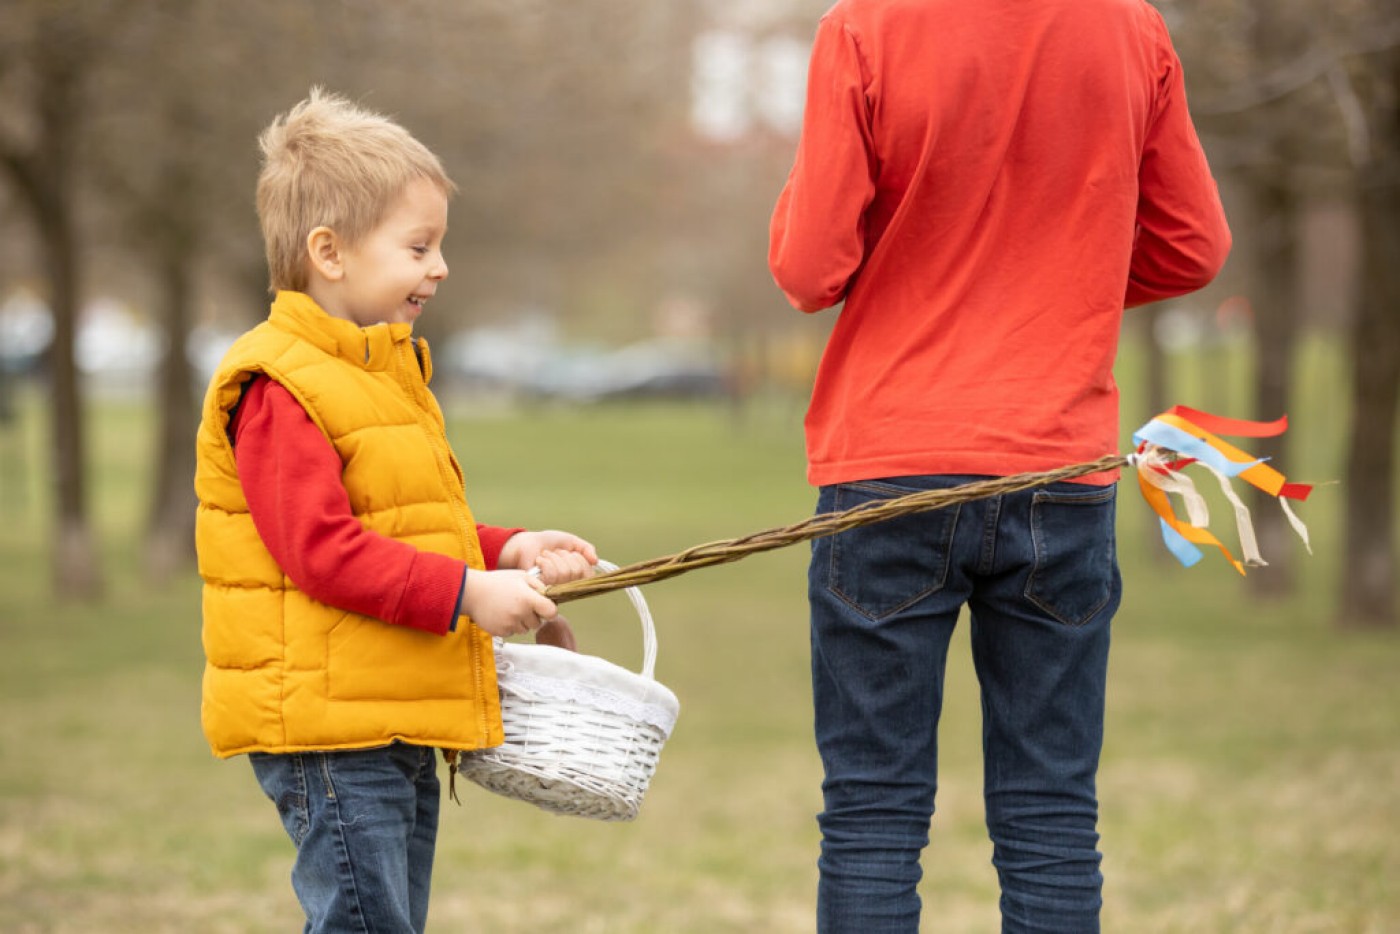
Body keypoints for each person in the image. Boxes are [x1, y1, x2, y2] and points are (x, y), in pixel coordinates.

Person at [768, 2, 1231, 931]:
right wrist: (1070, 279)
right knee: (1052, 811)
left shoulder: (866, 26)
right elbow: (1192, 245)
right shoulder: (1132, 28)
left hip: (889, 467)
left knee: (872, 809)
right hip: (1057, 470)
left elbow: (809, 266)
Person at [194, 88, 599, 933]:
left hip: (390, 714)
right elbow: (324, 550)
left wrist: (509, 548)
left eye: (438, 246)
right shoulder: (280, 384)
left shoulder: (383, 371)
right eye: (418, 247)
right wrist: (465, 594)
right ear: (330, 253)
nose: (439, 267)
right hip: (329, 732)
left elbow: (408, 525)